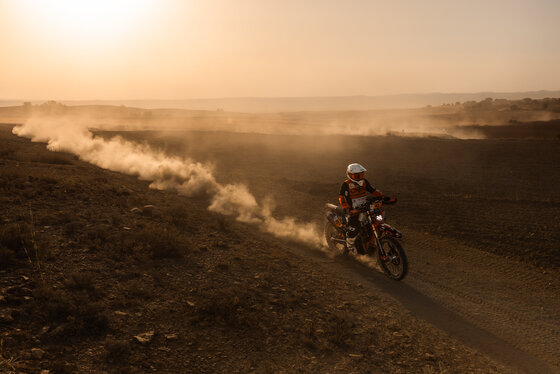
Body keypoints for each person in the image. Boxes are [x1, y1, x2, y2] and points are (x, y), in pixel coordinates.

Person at [338, 163, 394, 253]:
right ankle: (349, 246)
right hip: (353, 210)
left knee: (372, 222)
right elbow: (342, 197)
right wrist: (348, 208)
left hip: (364, 207)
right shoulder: (346, 184)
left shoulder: (364, 182)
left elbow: (373, 190)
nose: (359, 177)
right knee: (353, 228)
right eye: (356, 175)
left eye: (361, 174)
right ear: (350, 175)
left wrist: (383, 197)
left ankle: (371, 242)